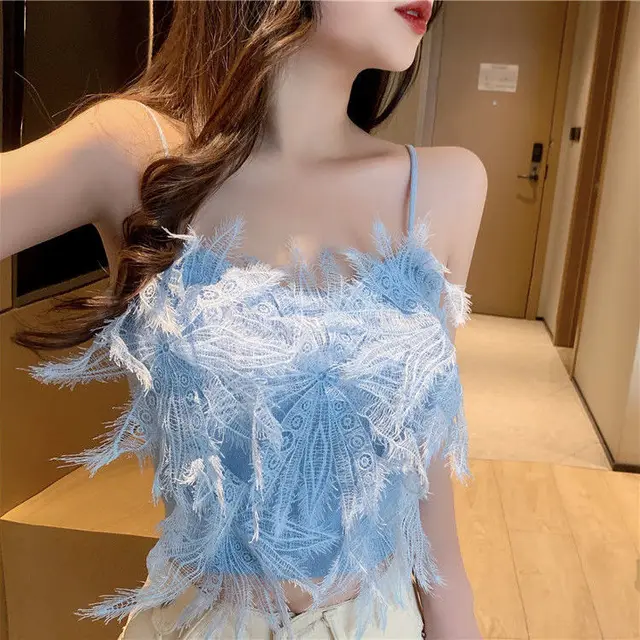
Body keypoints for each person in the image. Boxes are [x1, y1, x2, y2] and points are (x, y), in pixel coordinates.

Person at [1, 1, 487, 638]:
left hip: (376, 620)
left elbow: (421, 453)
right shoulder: (135, 153)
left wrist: (455, 620)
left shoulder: (446, 186)